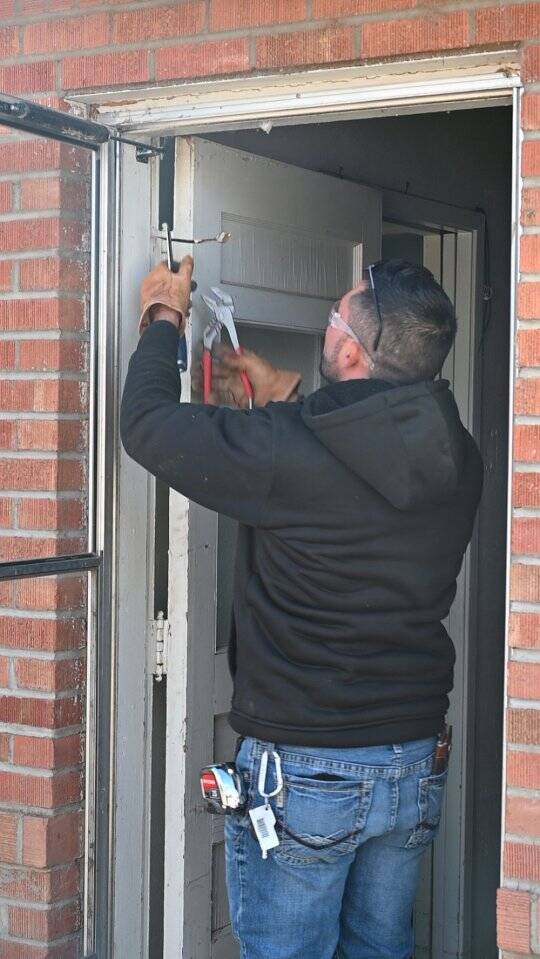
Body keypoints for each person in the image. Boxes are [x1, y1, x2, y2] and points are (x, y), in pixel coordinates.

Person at [120, 255, 483, 959]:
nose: (326, 323)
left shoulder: (286, 453)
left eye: (332, 317)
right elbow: (357, 452)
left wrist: (164, 316)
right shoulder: (458, 455)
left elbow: (147, 424)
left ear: (350, 349)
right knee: (381, 948)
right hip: (411, 759)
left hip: (311, 769)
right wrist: (282, 396)